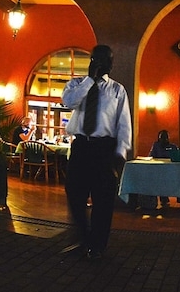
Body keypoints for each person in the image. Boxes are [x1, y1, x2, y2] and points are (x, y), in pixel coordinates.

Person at [61, 44, 132, 260]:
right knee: (75, 194)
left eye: (106, 60)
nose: (102, 63)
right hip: (81, 146)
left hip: (104, 149)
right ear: (91, 61)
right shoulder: (76, 84)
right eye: (97, 59)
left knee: (103, 200)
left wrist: (120, 153)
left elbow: (124, 124)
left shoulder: (117, 90)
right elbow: (68, 102)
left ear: (111, 64)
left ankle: (97, 246)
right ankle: (84, 238)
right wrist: (89, 81)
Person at [149, 129, 180, 209]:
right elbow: (151, 156)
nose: (164, 140)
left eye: (166, 137)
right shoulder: (156, 146)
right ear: (159, 138)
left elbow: (178, 158)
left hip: (172, 172)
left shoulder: (173, 147)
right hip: (160, 172)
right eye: (162, 138)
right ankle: (164, 199)